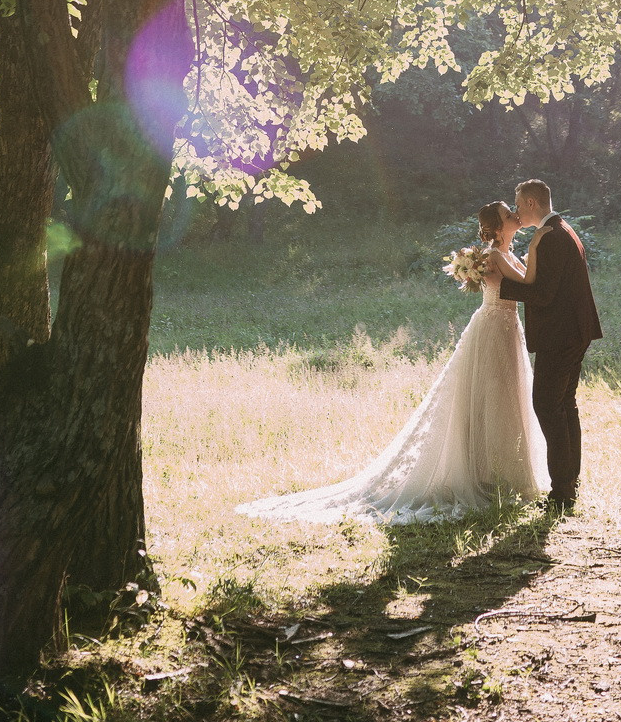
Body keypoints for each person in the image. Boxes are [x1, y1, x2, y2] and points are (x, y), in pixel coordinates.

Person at [232, 201, 548, 524]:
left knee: (507, 398)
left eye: (513, 213)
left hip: (507, 328)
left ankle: (503, 474)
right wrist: (536, 249)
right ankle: (492, 477)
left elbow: (525, 281)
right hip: (493, 327)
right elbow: (528, 285)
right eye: (509, 215)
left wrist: (530, 254)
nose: (514, 217)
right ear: (497, 228)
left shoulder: (504, 255)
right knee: (493, 398)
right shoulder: (494, 256)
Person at [485, 179, 601, 513]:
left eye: (519, 205)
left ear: (533, 203)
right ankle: (569, 483)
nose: (517, 212)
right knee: (564, 405)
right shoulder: (560, 230)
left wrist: (501, 285)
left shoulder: (551, 238)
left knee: (548, 406)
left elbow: (544, 294)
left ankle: (562, 492)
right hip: (572, 332)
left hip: (560, 336)